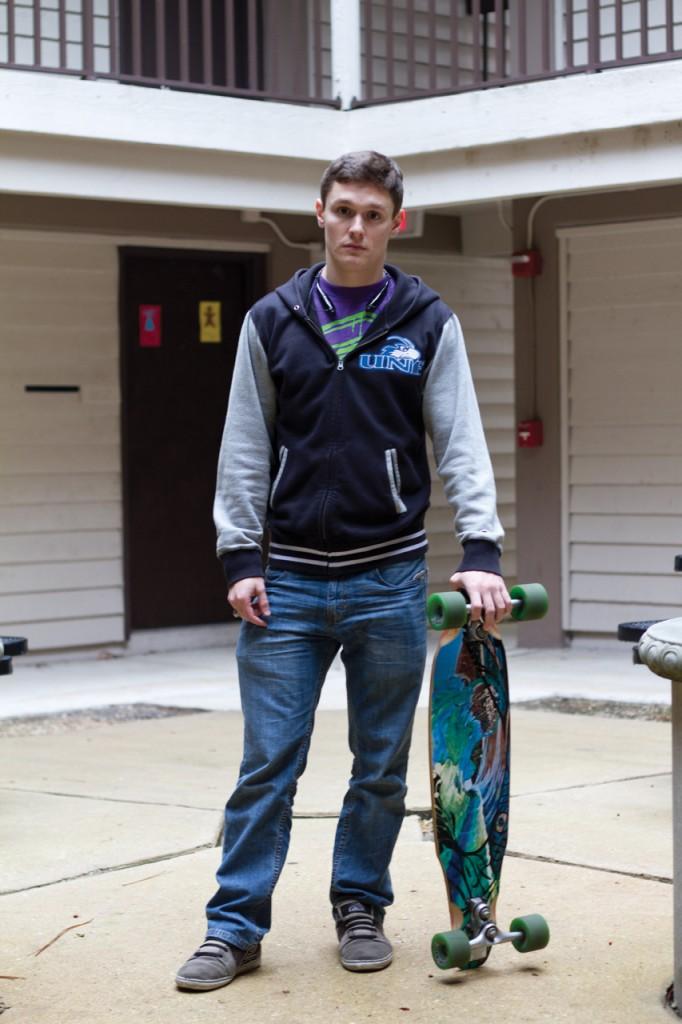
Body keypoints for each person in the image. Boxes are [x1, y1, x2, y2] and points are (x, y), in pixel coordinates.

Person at [175, 150, 511, 991]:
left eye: (372, 213)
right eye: (342, 211)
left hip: (388, 578)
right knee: (268, 764)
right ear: (317, 213)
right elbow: (245, 446)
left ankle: (359, 904)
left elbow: (461, 440)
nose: (356, 227)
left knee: (380, 766)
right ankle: (234, 927)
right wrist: (238, 556)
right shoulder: (272, 319)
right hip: (282, 583)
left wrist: (481, 552)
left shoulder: (427, 321)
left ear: (396, 223)